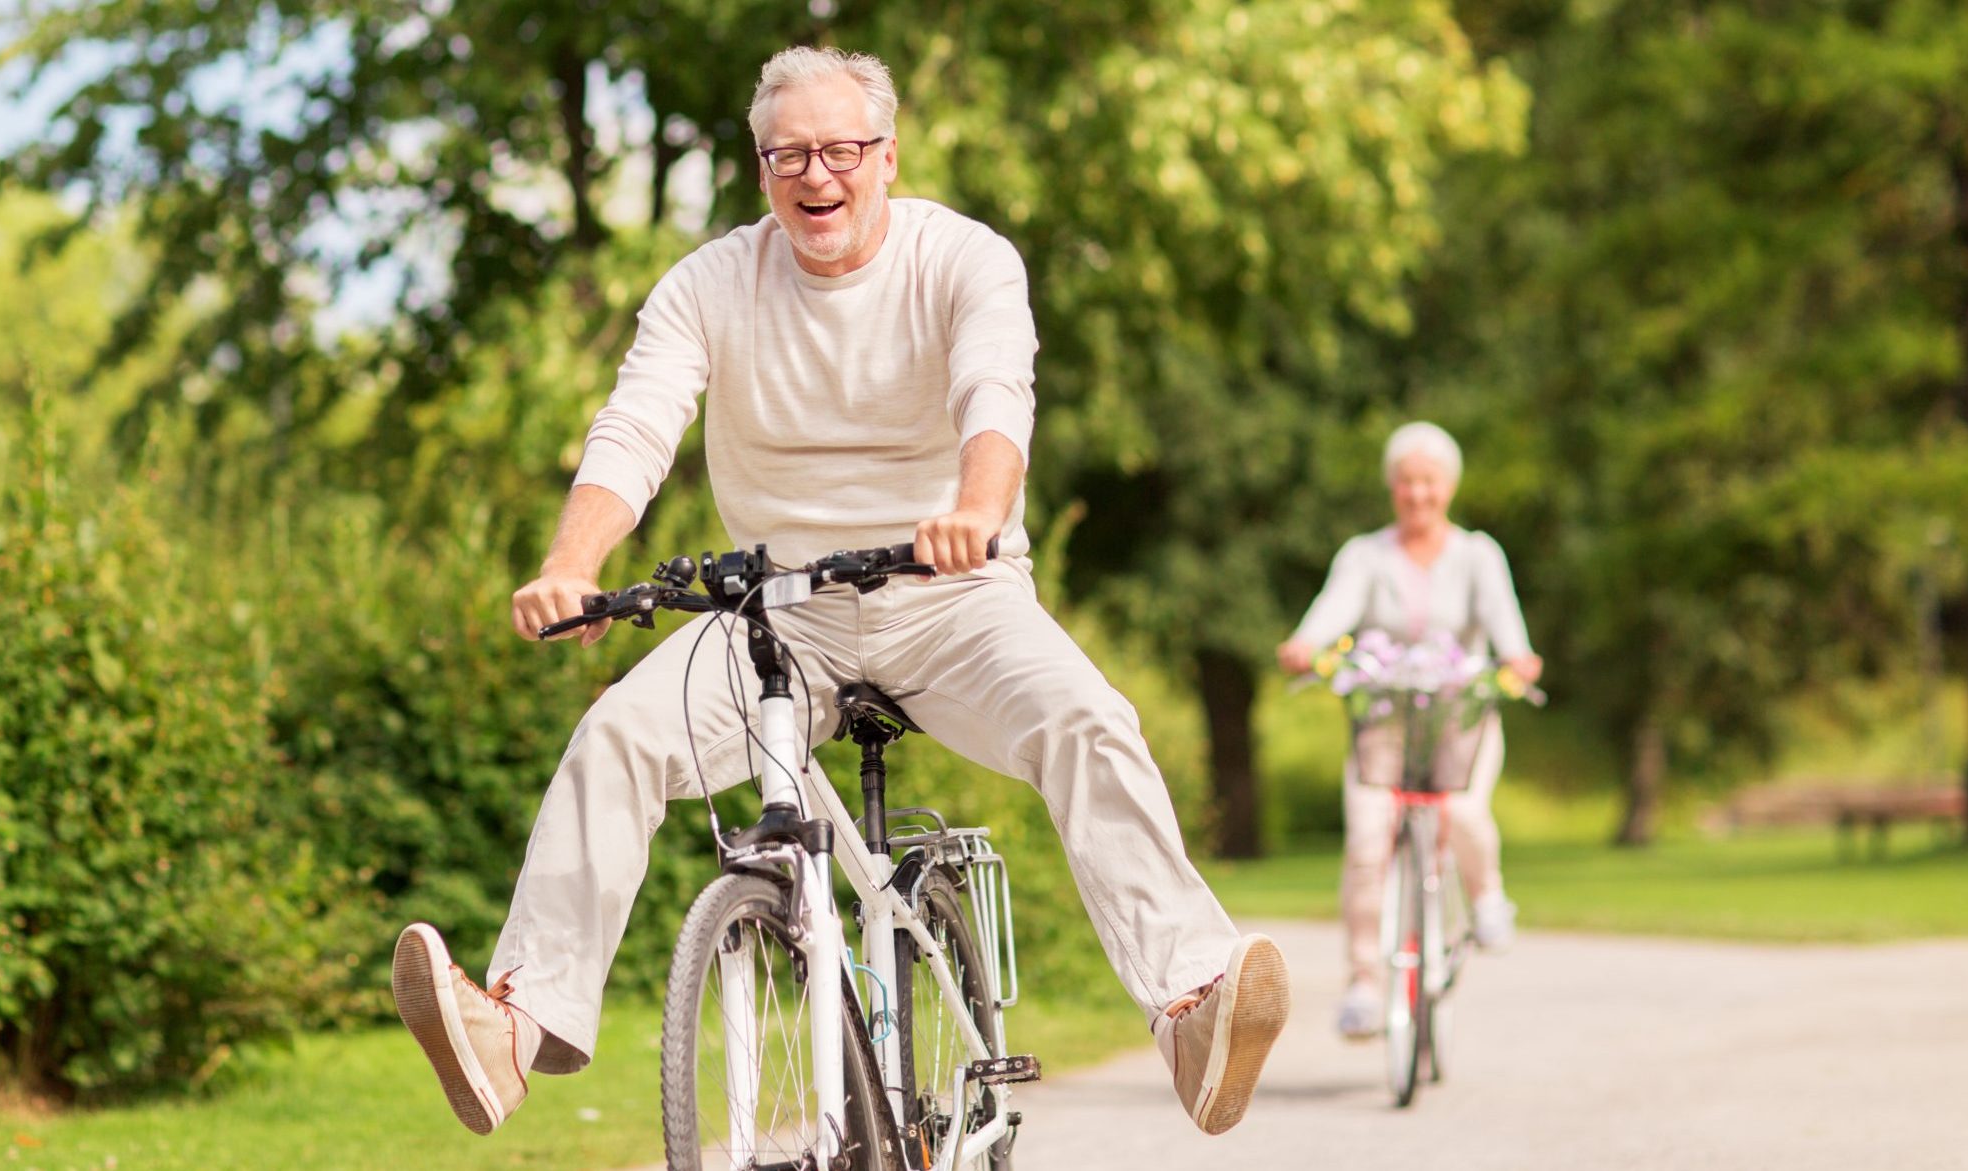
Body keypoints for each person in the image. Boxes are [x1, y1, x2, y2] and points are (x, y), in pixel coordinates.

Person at [391, 46, 1289, 1139]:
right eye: (788, 156)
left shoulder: (961, 258)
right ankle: (514, 1027)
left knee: (1087, 719)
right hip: (778, 613)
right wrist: (569, 564)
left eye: (839, 151)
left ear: (886, 157)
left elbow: (994, 393)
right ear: (761, 168)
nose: (816, 176)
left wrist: (975, 508)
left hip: (951, 594)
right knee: (616, 735)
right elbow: (635, 427)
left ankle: (1191, 1007)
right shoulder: (709, 283)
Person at [1274, 421, 1541, 1041]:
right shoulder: (1367, 556)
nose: (1417, 494)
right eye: (1406, 482)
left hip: (1460, 719)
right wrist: (1305, 645)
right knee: (1368, 840)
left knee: (1465, 812)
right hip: (1385, 723)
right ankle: (1364, 984)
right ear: (1392, 488)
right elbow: (1330, 612)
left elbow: (1509, 631)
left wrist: (1518, 660)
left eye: (1429, 482)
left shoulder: (1479, 555)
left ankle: (1487, 898)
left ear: (1448, 487)